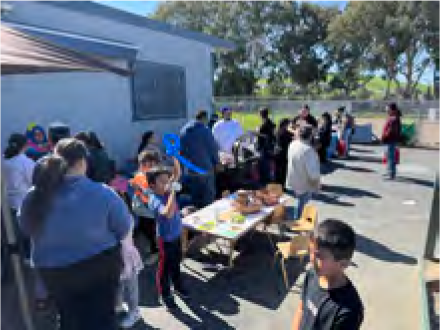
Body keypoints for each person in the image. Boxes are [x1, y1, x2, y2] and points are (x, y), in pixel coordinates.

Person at [19, 138, 132, 330]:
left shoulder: (34, 195)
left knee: (68, 316)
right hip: (99, 268)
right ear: (82, 162)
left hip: (54, 272)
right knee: (102, 318)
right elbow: (124, 227)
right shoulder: (103, 193)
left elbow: (25, 228)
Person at [292, 219, 364, 330]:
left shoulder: (349, 312)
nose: (311, 259)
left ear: (343, 264)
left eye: (318, 256)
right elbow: (301, 309)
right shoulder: (312, 274)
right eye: (310, 251)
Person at [147, 166, 189, 310]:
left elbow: (177, 173)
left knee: (176, 263)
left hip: (176, 235)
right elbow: (168, 213)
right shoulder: (154, 198)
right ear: (152, 185)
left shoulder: (167, 192)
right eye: (162, 181)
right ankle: (165, 294)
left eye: (167, 180)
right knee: (164, 269)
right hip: (165, 240)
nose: (167, 184)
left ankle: (178, 287)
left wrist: (175, 157)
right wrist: (172, 191)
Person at [180, 110, 219, 208]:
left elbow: (181, 151)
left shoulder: (183, 131)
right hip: (206, 168)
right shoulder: (205, 130)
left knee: (196, 195)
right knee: (208, 195)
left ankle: (196, 215)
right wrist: (217, 162)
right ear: (204, 118)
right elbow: (212, 148)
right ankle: (208, 215)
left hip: (192, 169)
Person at [285, 125, 320, 219]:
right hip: (304, 181)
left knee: (299, 201)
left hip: (293, 177)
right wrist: (317, 183)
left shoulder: (292, 144)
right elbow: (312, 172)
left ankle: (297, 219)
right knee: (302, 203)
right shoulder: (308, 150)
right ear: (310, 136)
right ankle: (298, 221)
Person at [118, 230, 143, 328]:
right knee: (117, 285)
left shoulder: (122, 217)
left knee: (131, 287)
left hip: (125, 256)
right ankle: (118, 306)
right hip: (112, 257)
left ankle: (134, 312)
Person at [381, 103, 402, 180]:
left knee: (391, 158)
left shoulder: (394, 118)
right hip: (389, 140)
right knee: (388, 157)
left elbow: (392, 131)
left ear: (392, 110)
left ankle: (391, 174)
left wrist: (385, 137)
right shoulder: (392, 117)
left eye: (387, 109)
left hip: (390, 140)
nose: (386, 110)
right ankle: (389, 172)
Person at [257, 107, 276, 185]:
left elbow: (267, 136)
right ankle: (268, 179)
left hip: (265, 147)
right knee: (269, 164)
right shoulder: (270, 122)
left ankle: (266, 182)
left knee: (265, 164)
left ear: (261, 114)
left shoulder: (265, 124)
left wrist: (256, 133)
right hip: (269, 146)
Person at [275, 118, 294, 184]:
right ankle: (282, 185)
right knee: (284, 170)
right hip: (285, 152)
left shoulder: (277, 131)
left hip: (278, 152)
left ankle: (277, 184)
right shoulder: (287, 133)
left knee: (277, 170)